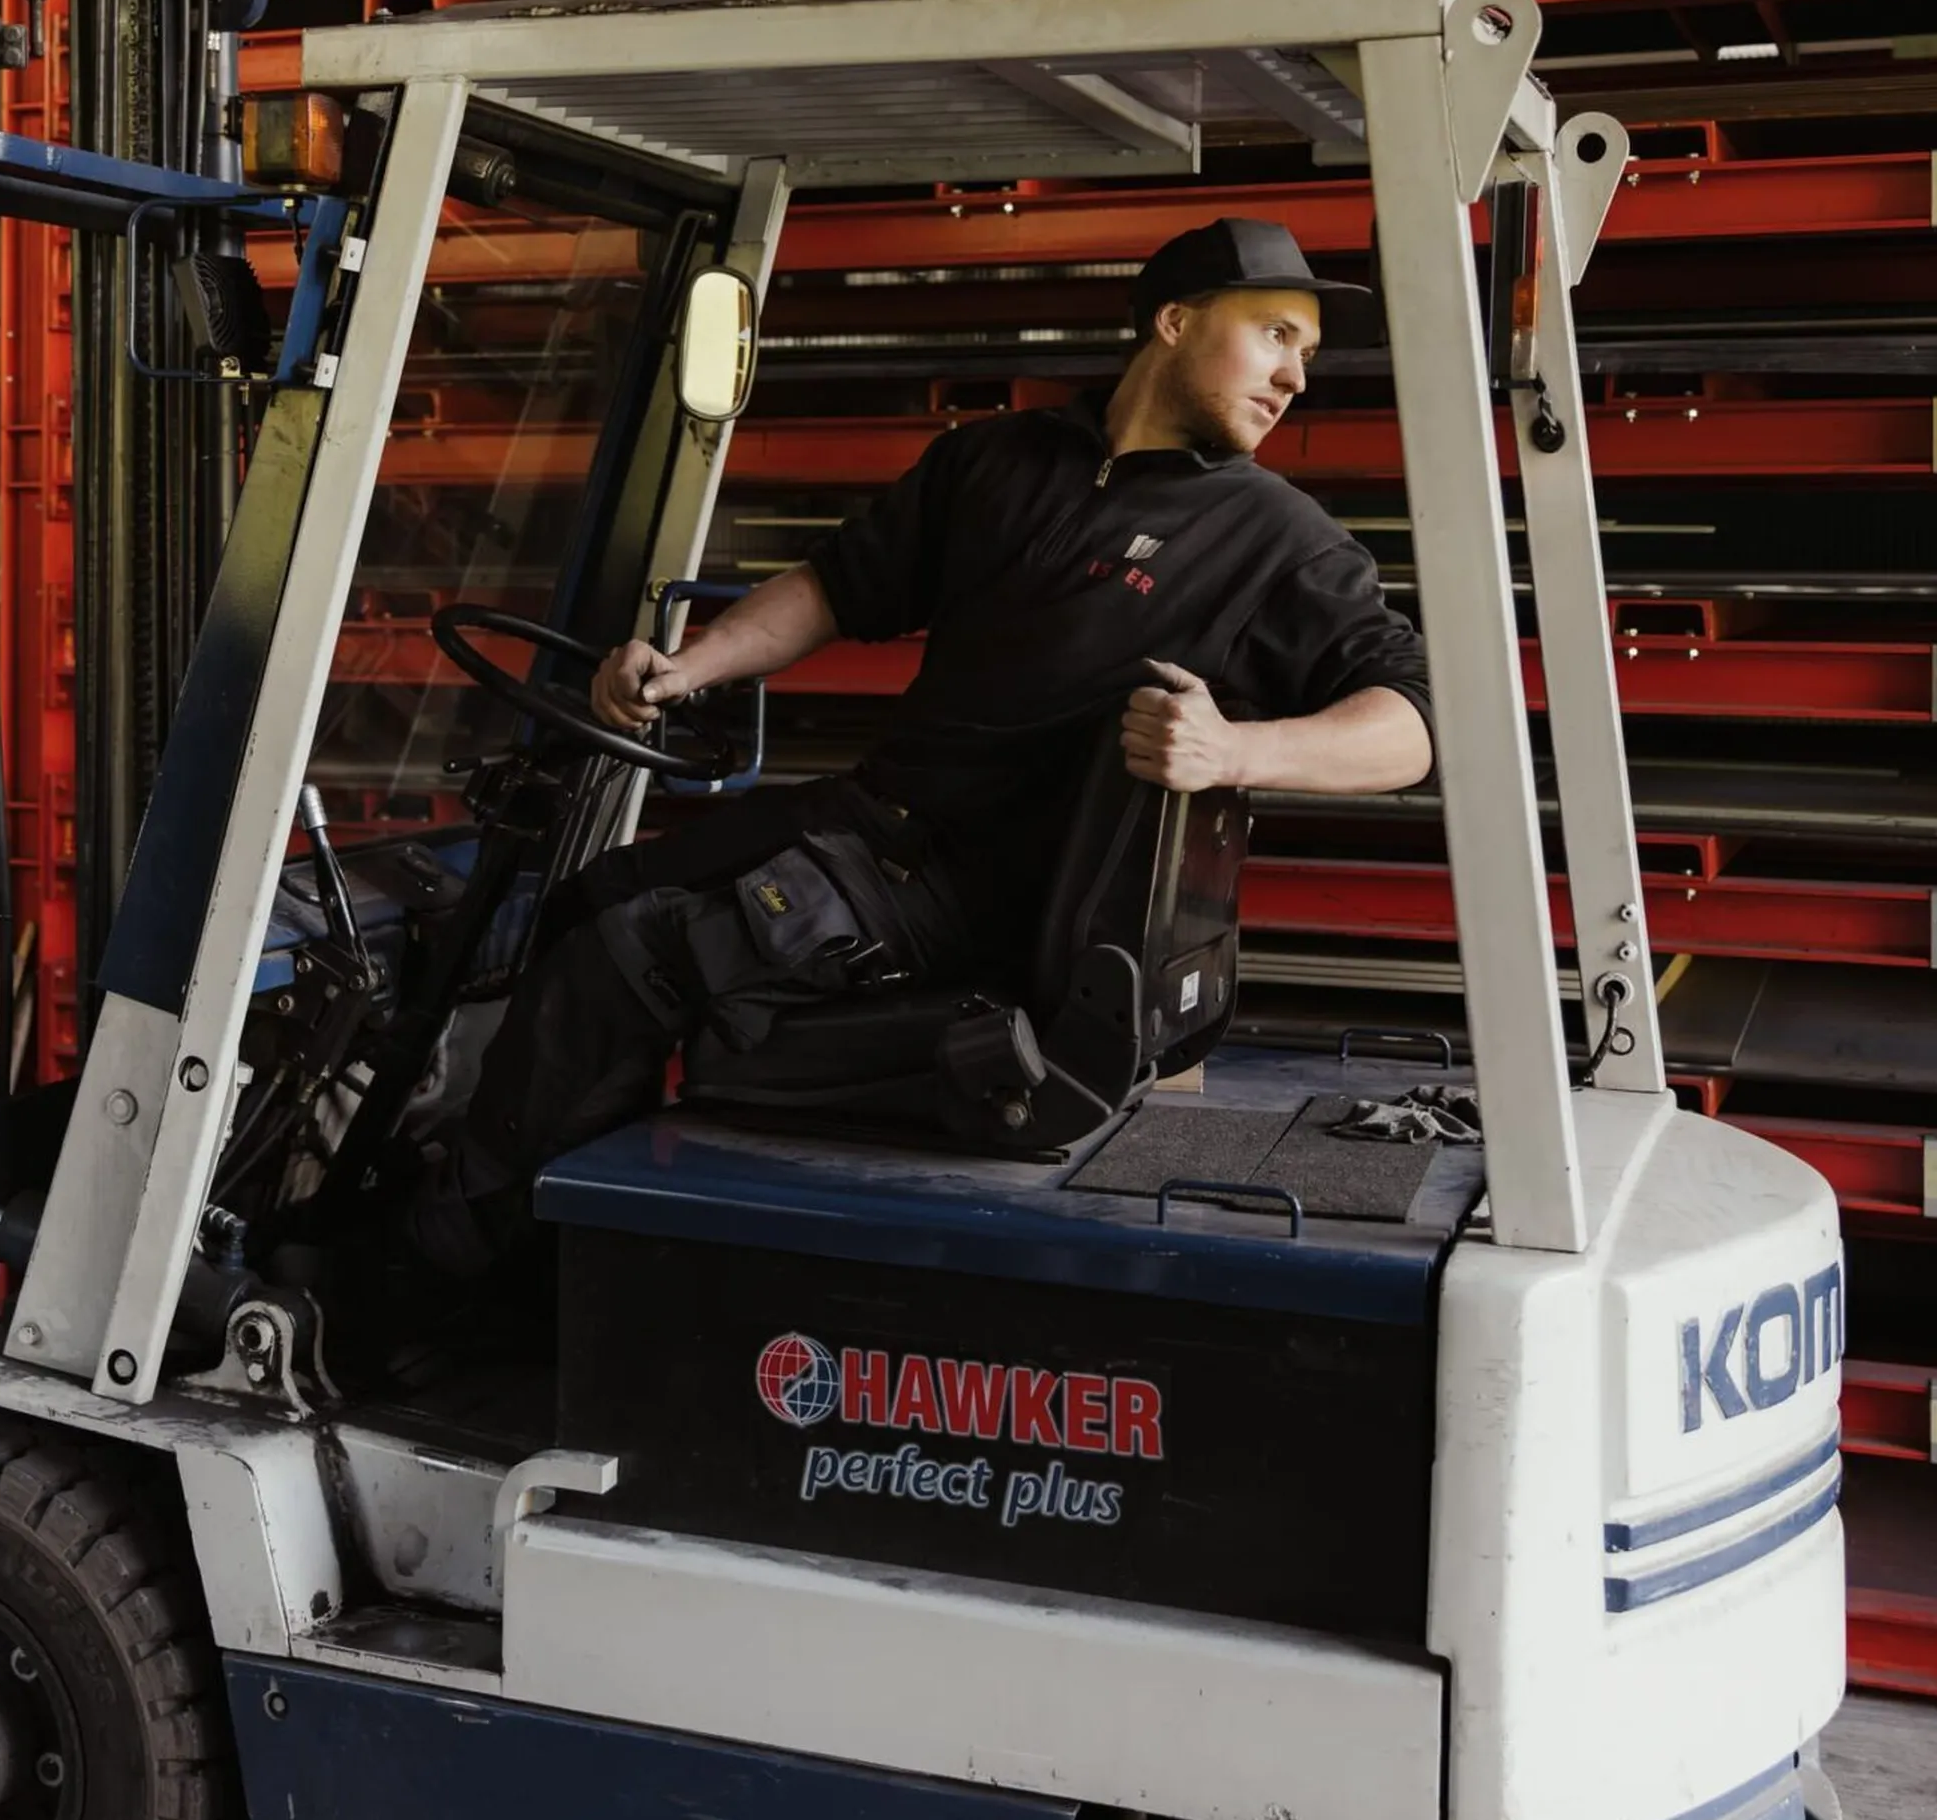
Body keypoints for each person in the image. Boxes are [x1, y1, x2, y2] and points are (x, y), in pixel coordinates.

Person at [406, 217, 1435, 1276]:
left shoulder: (1278, 540)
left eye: (1304, 353)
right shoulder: (996, 458)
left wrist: (1231, 751)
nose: (1295, 378)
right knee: (587, 896)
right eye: (1275, 336)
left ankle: (460, 1268)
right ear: (1173, 323)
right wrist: (689, 668)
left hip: (967, 899)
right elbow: (835, 587)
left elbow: (1406, 726)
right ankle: (562, 1221)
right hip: (863, 826)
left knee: (622, 964)